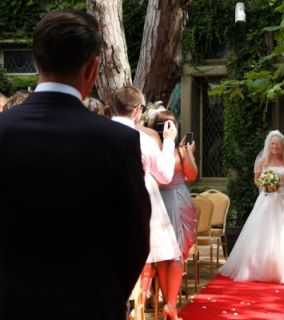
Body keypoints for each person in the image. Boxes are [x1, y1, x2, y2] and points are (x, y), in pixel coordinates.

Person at [0, 11, 151, 320]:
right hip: (89, 303)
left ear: (36, 61)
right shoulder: (117, 141)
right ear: (93, 67)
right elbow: (135, 237)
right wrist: (106, 294)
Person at [111, 86, 184, 320]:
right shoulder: (142, 139)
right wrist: (170, 141)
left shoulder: (97, 134)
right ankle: (169, 306)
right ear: (137, 110)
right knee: (164, 254)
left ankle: (134, 306)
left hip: (106, 199)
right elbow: (165, 174)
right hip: (142, 197)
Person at [219, 130, 284, 285]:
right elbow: (256, 180)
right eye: (272, 144)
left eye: (278, 144)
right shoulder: (262, 162)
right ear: (268, 145)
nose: (275, 147)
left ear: (282, 146)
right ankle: (257, 267)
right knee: (261, 233)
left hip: (283, 201)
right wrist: (265, 184)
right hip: (266, 200)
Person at [149, 110, 198, 319]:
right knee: (162, 252)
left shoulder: (179, 150)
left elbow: (192, 175)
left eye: (171, 123)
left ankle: (171, 301)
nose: (167, 127)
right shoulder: (151, 149)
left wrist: (187, 152)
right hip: (158, 199)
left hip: (178, 201)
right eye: (162, 124)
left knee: (177, 251)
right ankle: (166, 300)